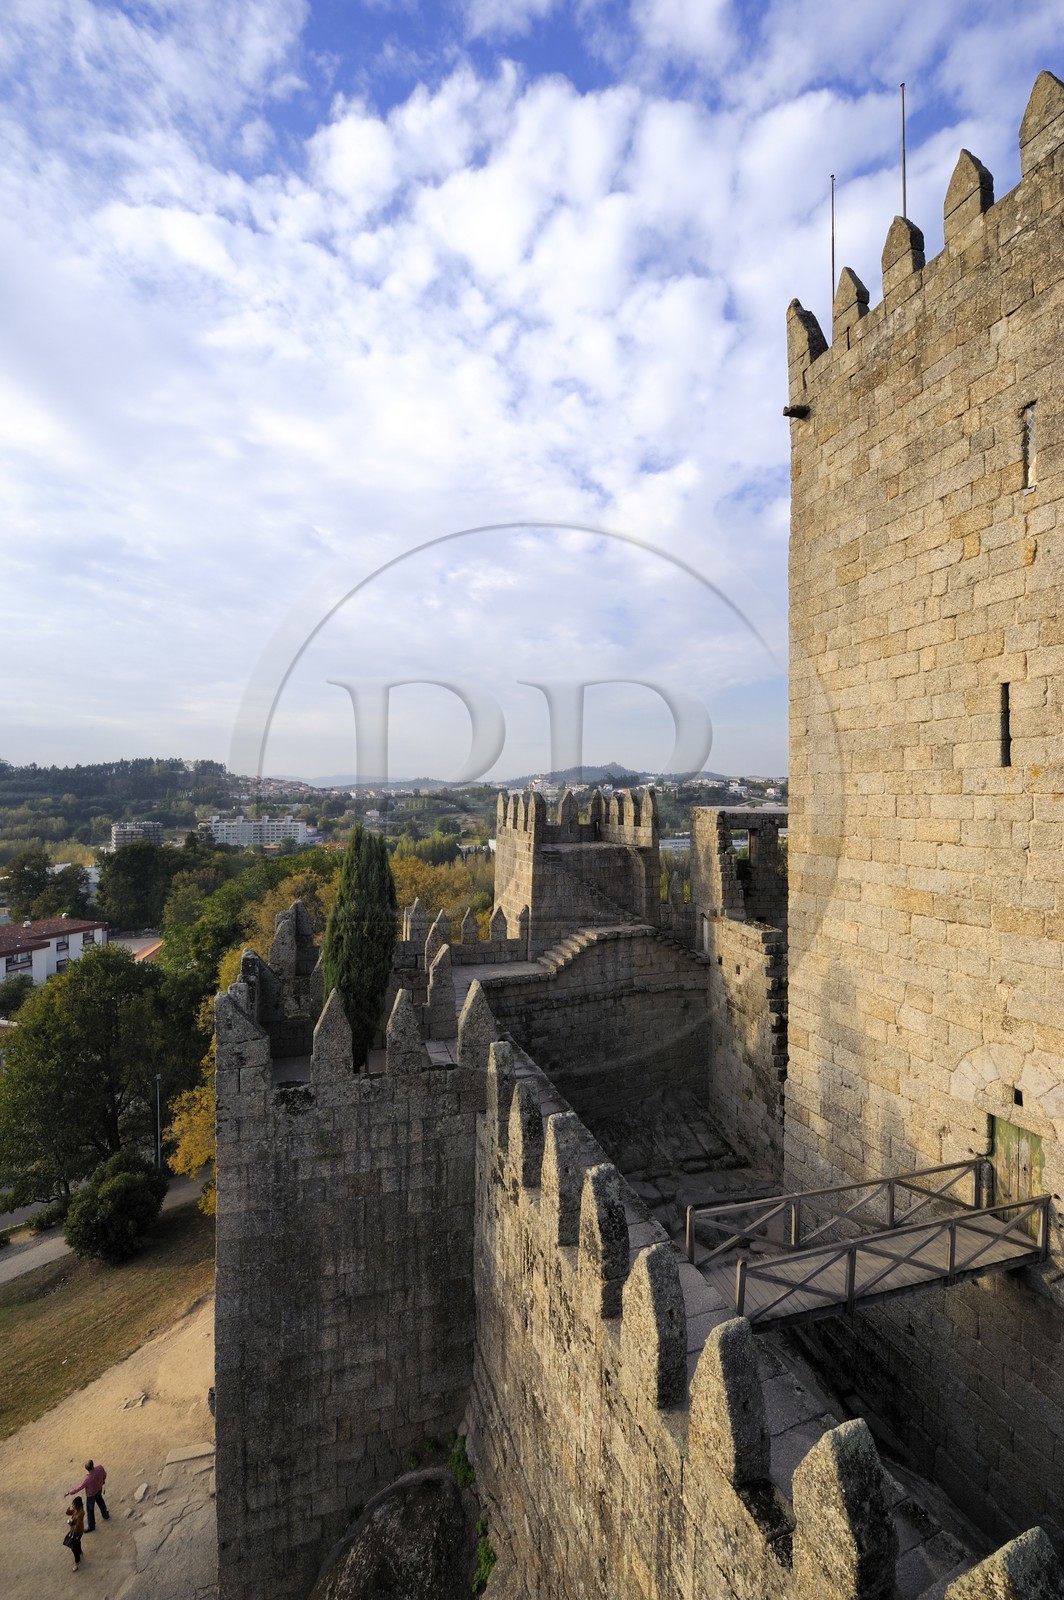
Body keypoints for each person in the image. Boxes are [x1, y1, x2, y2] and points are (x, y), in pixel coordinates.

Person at [66, 1460, 108, 1532]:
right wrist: (103, 1480)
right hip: (99, 1489)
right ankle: (105, 1514)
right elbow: (104, 1474)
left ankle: (91, 1526)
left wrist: (69, 1492)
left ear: (87, 1469)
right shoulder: (100, 1468)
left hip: (91, 1495)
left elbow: (79, 1487)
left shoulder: (87, 1479)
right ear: (93, 1465)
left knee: (90, 1510)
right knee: (100, 1501)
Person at [65, 1496, 85, 1572]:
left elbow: (78, 1524)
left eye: (74, 1505)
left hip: (77, 1532)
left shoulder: (81, 1513)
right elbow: (71, 1513)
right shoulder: (77, 1509)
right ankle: (80, 1551)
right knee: (77, 1543)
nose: (72, 1506)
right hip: (76, 1530)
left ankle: (77, 1562)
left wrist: (71, 1523)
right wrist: (68, 1511)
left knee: (74, 1548)